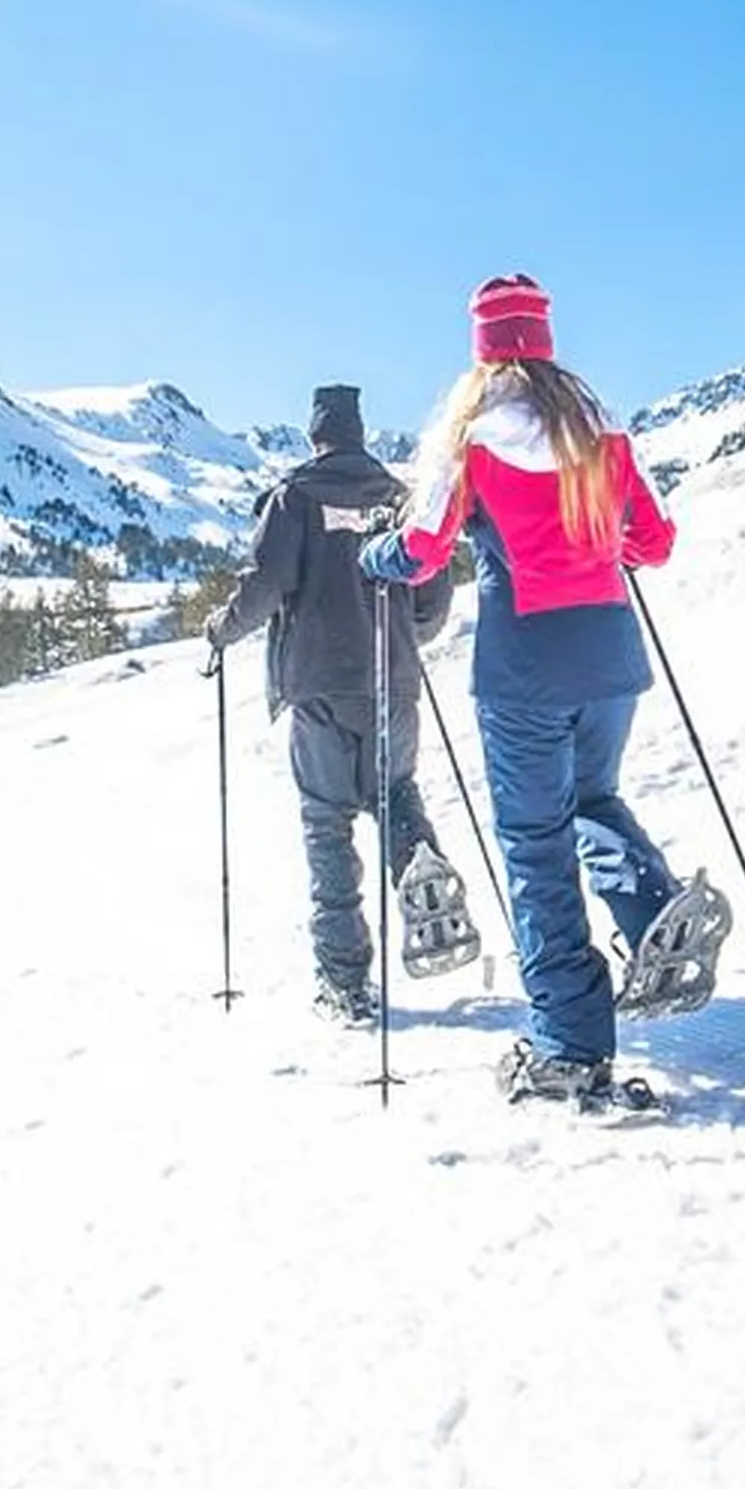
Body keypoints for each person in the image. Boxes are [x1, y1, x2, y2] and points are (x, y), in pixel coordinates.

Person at [360, 276, 732, 1108]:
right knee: (594, 799)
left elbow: (420, 551)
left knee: (536, 846)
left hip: (524, 669)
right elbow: (654, 542)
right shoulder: (600, 427)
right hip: (610, 657)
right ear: (545, 339)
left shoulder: (471, 437)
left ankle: (568, 1044)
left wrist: (372, 555)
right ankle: (653, 915)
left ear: (484, 350)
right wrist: (597, 544)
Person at [205, 383, 464, 1021]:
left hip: (320, 683)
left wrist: (221, 630)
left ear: (315, 435)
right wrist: (404, 633)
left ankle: (344, 982)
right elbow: (433, 594)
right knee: (395, 792)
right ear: (360, 433)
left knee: (327, 824)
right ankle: (423, 869)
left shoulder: (294, 498)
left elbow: (264, 586)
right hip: (394, 680)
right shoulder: (399, 500)